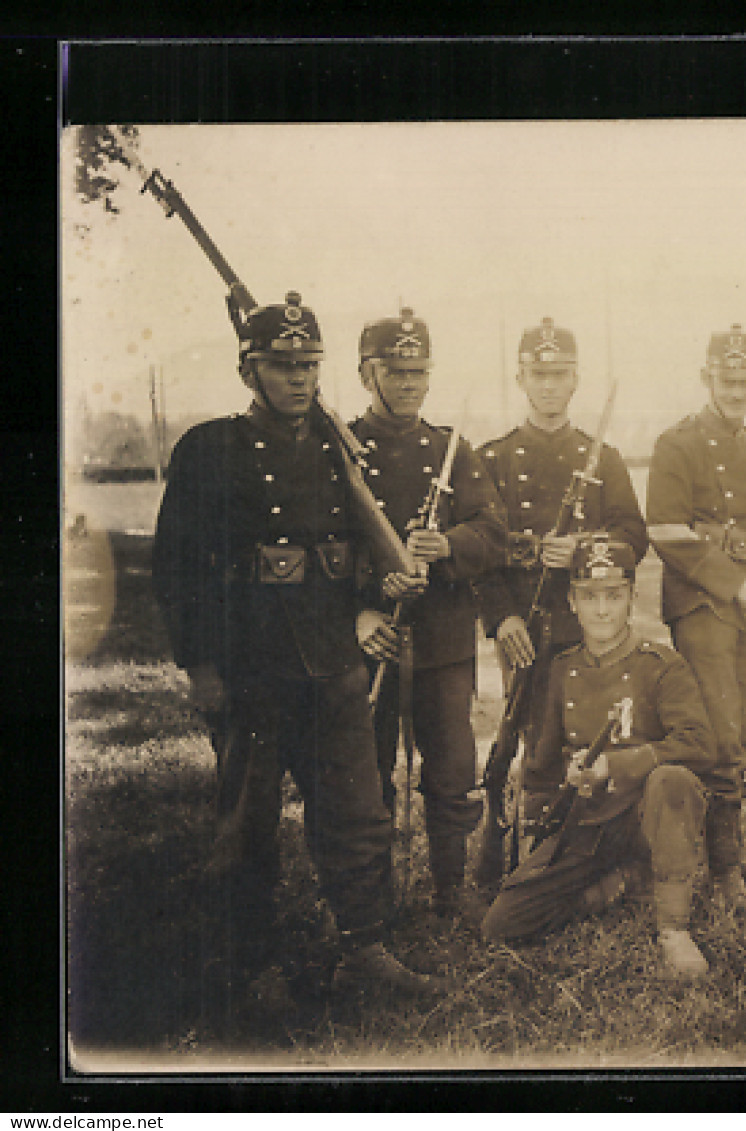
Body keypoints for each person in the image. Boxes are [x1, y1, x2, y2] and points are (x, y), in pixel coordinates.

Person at [151, 291, 437, 997]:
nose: (301, 377)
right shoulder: (209, 448)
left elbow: (360, 547)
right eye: (283, 365)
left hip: (333, 661)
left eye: (311, 363)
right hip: (251, 663)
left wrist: (378, 596)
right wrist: (201, 665)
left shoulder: (340, 447)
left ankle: (364, 949)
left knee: (355, 811)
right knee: (248, 821)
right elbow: (176, 564)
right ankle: (251, 962)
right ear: (250, 370)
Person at [480, 538, 718, 980]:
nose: (602, 610)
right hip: (585, 821)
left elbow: (700, 743)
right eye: (590, 596)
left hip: (645, 817)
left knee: (672, 779)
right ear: (572, 601)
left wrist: (620, 764)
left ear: (632, 597)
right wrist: (539, 832)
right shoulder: (559, 669)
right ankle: (621, 883)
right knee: (502, 924)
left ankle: (673, 929)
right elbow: (541, 766)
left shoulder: (661, 665)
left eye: (614, 595)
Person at [472, 317, 647, 878]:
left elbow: (632, 537)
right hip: (522, 623)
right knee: (530, 737)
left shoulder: (604, 459)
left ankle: (588, 856)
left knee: (588, 737)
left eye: (560, 375)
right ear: (521, 378)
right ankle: (517, 849)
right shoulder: (493, 458)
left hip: (586, 626)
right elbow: (481, 551)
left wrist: (582, 549)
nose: (549, 385)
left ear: (575, 381)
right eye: (539, 374)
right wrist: (500, 619)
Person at [349, 306, 506, 922]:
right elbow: (330, 541)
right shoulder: (345, 448)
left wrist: (447, 547)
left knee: (452, 765)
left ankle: (448, 887)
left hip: (442, 640)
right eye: (396, 371)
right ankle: (371, 896)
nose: (410, 383)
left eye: (419, 371)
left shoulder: (451, 449)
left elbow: (493, 533)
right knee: (369, 771)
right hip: (373, 637)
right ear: (368, 373)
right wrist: (368, 591)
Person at [645, 324, 746, 912]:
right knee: (719, 731)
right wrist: (742, 586)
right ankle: (724, 876)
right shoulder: (677, 444)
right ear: (706, 376)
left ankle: (734, 857)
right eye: (726, 379)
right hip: (705, 605)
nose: (736, 390)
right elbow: (666, 530)